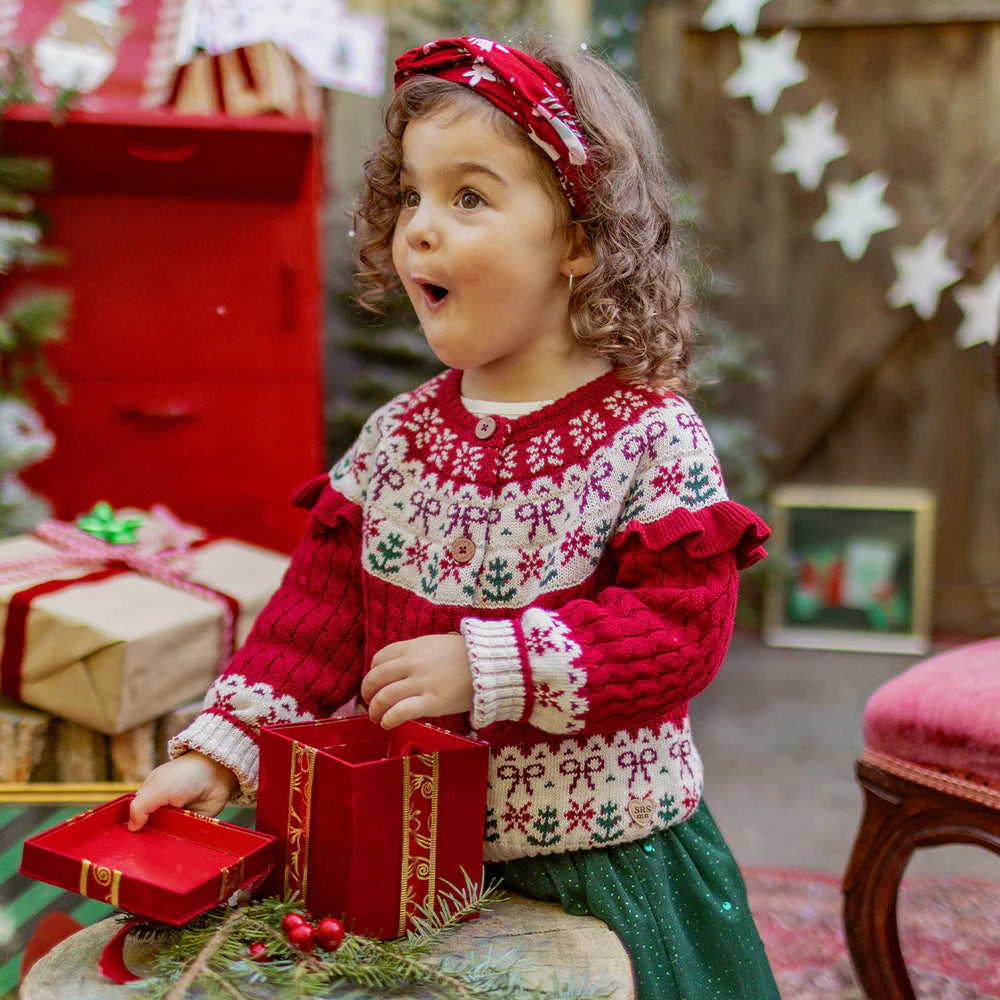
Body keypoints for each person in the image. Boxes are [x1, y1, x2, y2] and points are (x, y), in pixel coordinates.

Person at [129, 34, 779, 1000]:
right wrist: (220, 752)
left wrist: (491, 665)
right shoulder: (395, 440)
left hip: (597, 863)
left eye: (468, 197)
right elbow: (309, 627)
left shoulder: (650, 435)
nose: (419, 229)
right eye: (411, 198)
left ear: (579, 237)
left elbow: (678, 630)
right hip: (402, 855)